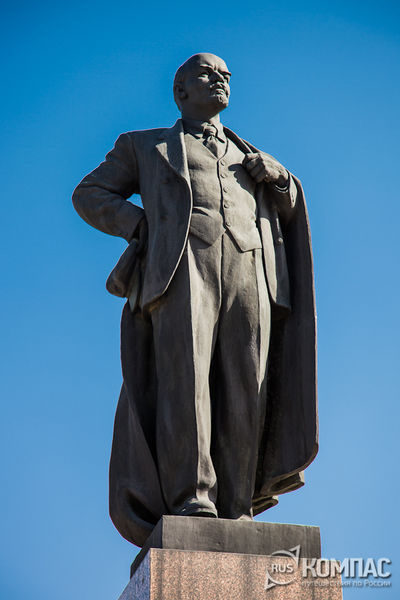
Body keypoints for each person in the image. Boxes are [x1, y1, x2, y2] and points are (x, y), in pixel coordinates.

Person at [72, 53, 318, 547]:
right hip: (182, 271)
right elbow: (90, 193)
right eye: (207, 73)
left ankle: (238, 506)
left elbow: (289, 208)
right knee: (186, 384)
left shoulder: (251, 154)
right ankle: (194, 496)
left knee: (247, 389)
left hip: (251, 271)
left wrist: (282, 179)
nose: (220, 79)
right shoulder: (145, 146)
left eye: (226, 75)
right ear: (180, 90)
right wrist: (141, 225)